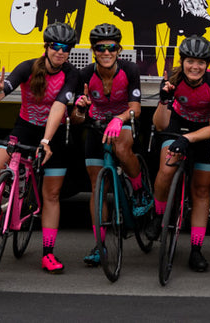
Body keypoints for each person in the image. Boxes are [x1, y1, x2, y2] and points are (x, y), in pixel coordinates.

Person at [0, 22, 81, 274]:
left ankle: (48, 253)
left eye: (67, 48)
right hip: (25, 128)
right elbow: (0, 94)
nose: (61, 52)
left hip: (54, 134)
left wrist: (46, 141)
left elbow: (60, 106)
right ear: (47, 47)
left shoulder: (71, 74)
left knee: (51, 195)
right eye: (57, 47)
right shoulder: (28, 67)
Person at [143, 35, 210, 272]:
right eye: (190, 61)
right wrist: (163, 101)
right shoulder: (172, 79)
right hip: (175, 125)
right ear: (183, 61)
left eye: (201, 62)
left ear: (207, 65)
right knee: (166, 169)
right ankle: (159, 216)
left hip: (203, 134)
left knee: (201, 192)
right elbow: (160, 125)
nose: (195, 67)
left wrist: (188, 138)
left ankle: (196, 250)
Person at [70, 23, 152, 266]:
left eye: (111, 47)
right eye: (100, 48)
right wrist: (81, 111)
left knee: (121, 147)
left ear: (118, 49)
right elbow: (75, 119)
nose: (106, 52)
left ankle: (138, 191)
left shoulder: (129, 69)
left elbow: (136, 108)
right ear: (93, 50)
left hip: (123, 123)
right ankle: (100, 245)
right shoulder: (83, 75)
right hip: (95, 128)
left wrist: (119, 118)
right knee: (96, 187)